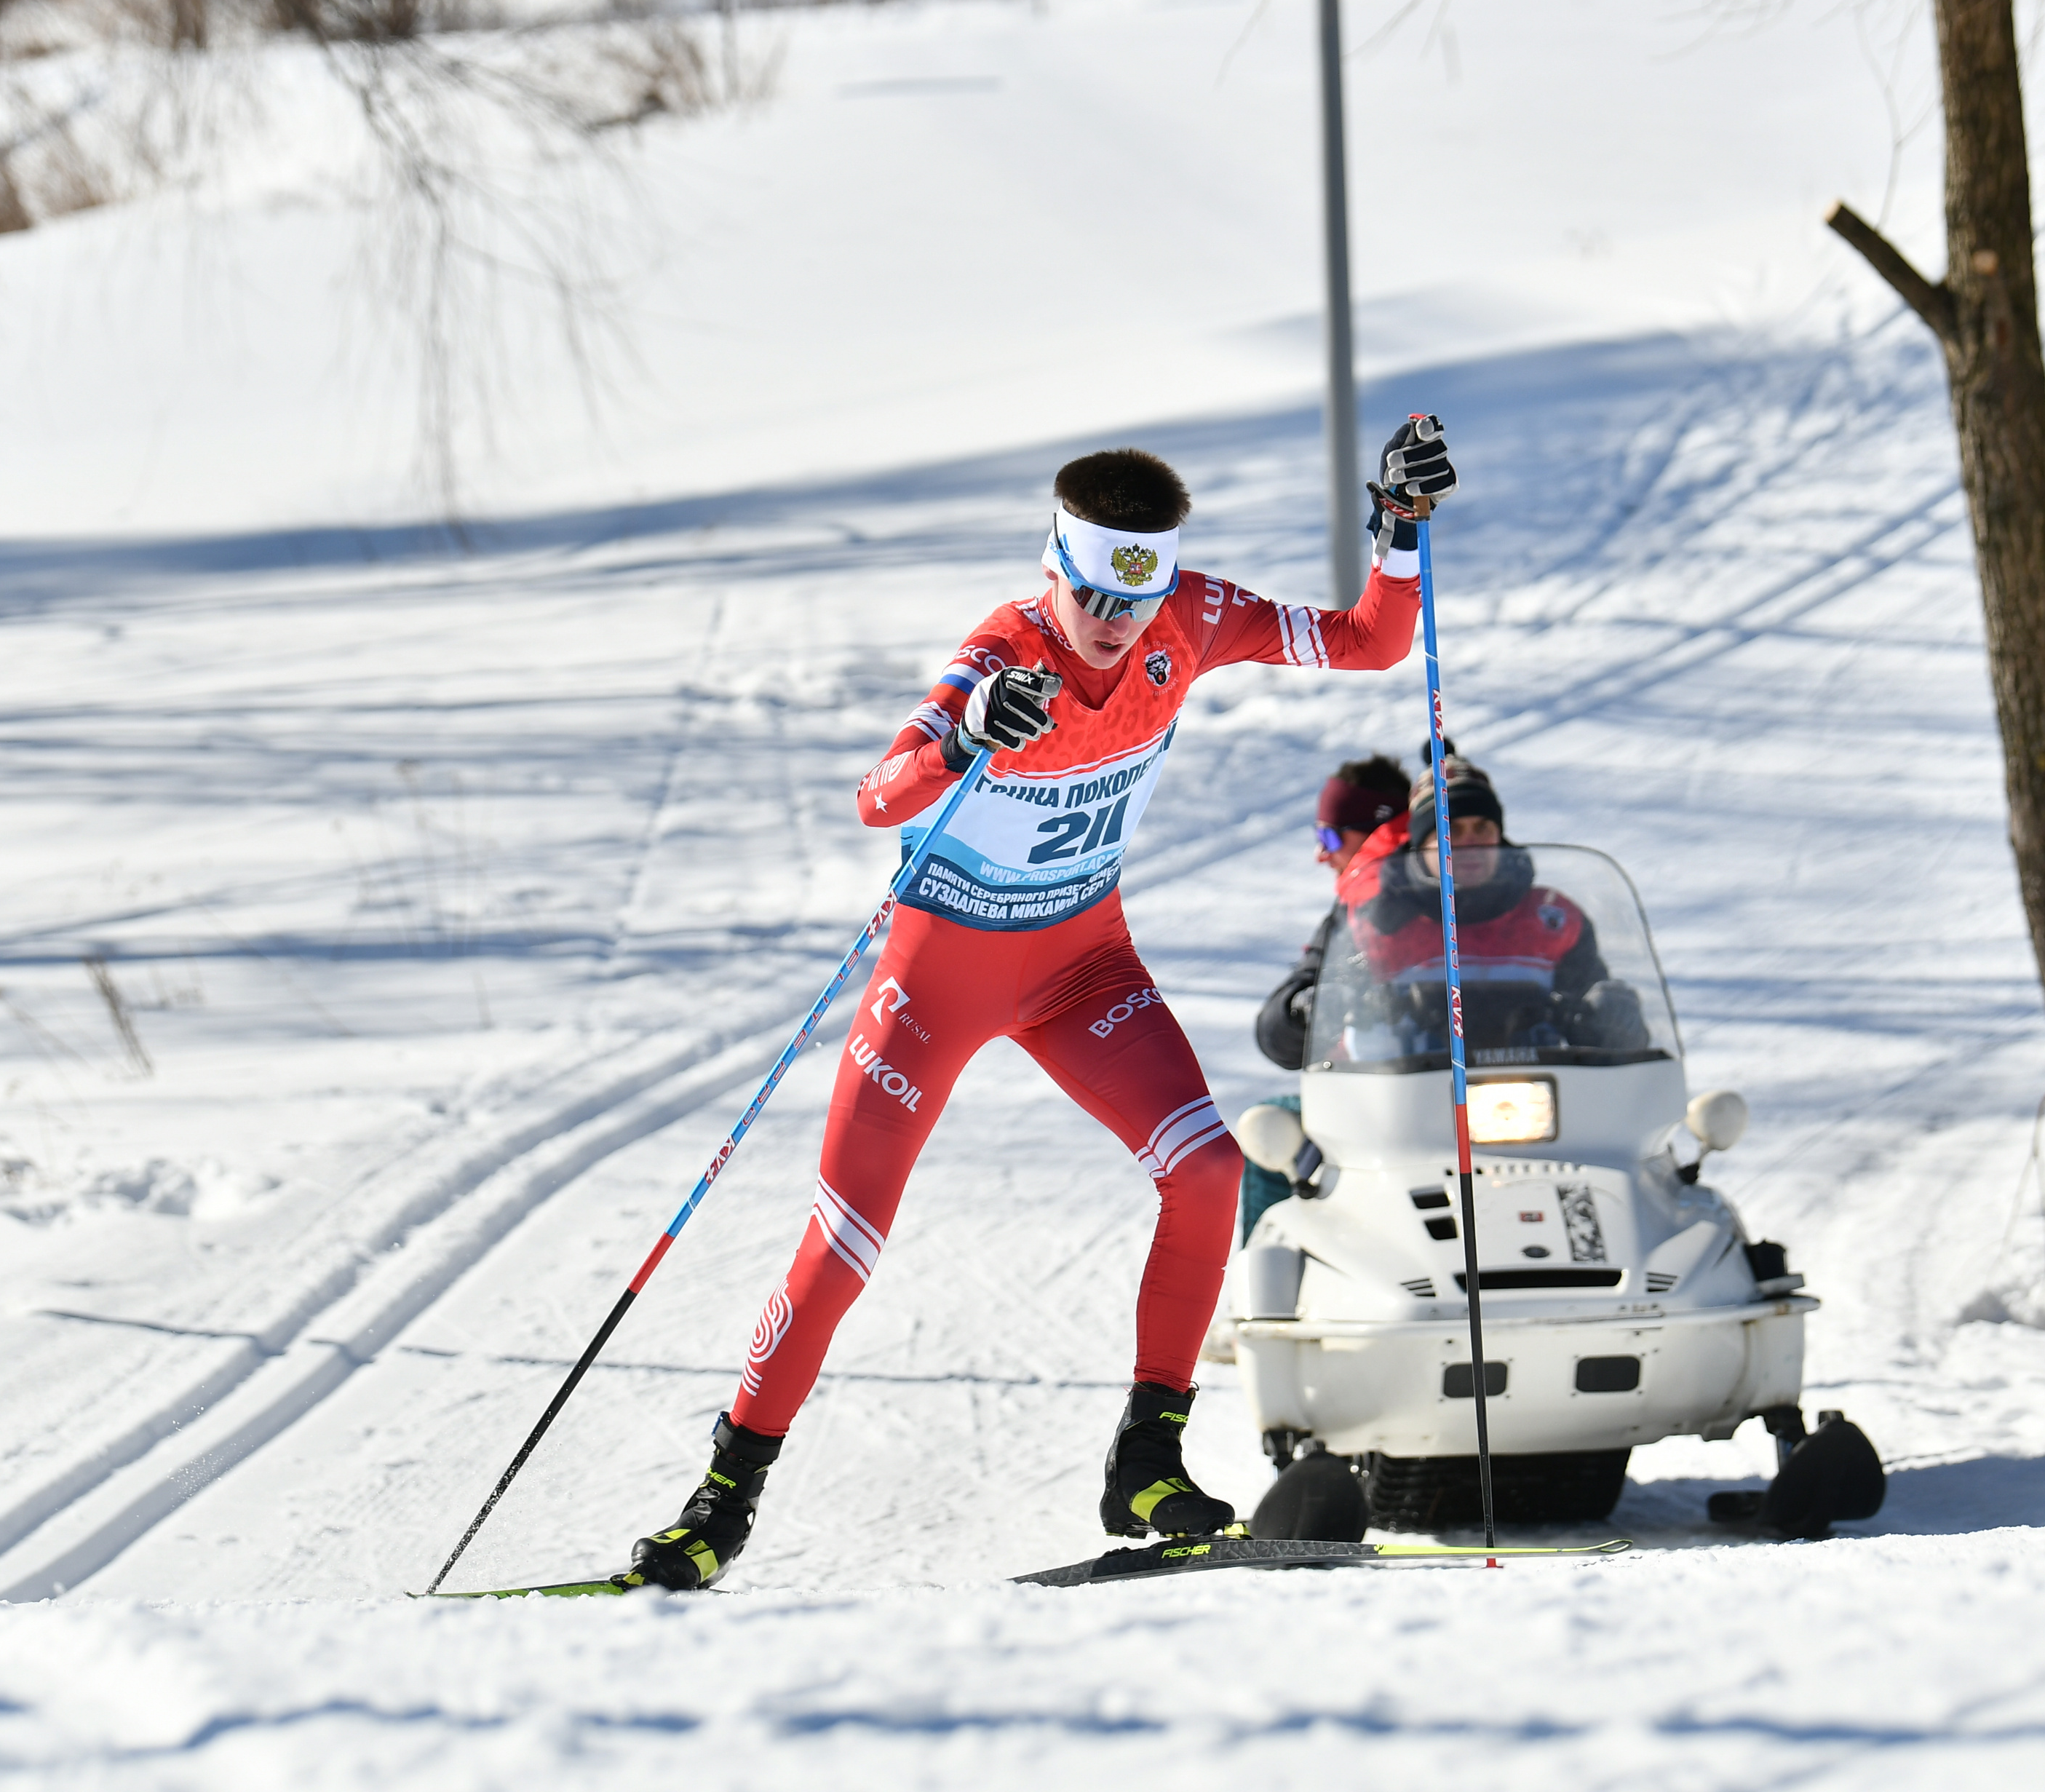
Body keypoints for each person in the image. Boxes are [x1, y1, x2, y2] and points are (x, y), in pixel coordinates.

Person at [624, 419, 1461, 1588]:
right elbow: (876, 798)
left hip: (1081, 968)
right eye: (1091, 600)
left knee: (1210, 1170)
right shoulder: (1002, 657)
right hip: (938, 982)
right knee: (849, 1239)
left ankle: (1148, 1458)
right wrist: (963, 735)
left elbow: (1371, 644)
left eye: (1135, 603)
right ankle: (722, 1500)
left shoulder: (1194, 619)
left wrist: (1401, 532)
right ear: (1053, 570)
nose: (1115, 628)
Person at [1329, 753, 1647, 1058]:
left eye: (1483, 828)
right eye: (1451, 830)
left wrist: (1616, 1017)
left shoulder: (1553, 921)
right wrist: (1305, 1008)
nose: (1471, 843)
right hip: (1402, 1101)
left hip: (1538, 1100)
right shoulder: (1370, 922)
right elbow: (1289, 1031)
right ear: (1420, 843)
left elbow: (1599, 1025)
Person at [1252, 756, 1413, 1074]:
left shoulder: (1452, 887)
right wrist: (1306, 1008)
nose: (1321, 855)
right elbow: (1275, 1038)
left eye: (1331, 837)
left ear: (1378, 832)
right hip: (1377, 1093)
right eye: (1320, 837)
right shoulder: (1349, 913)